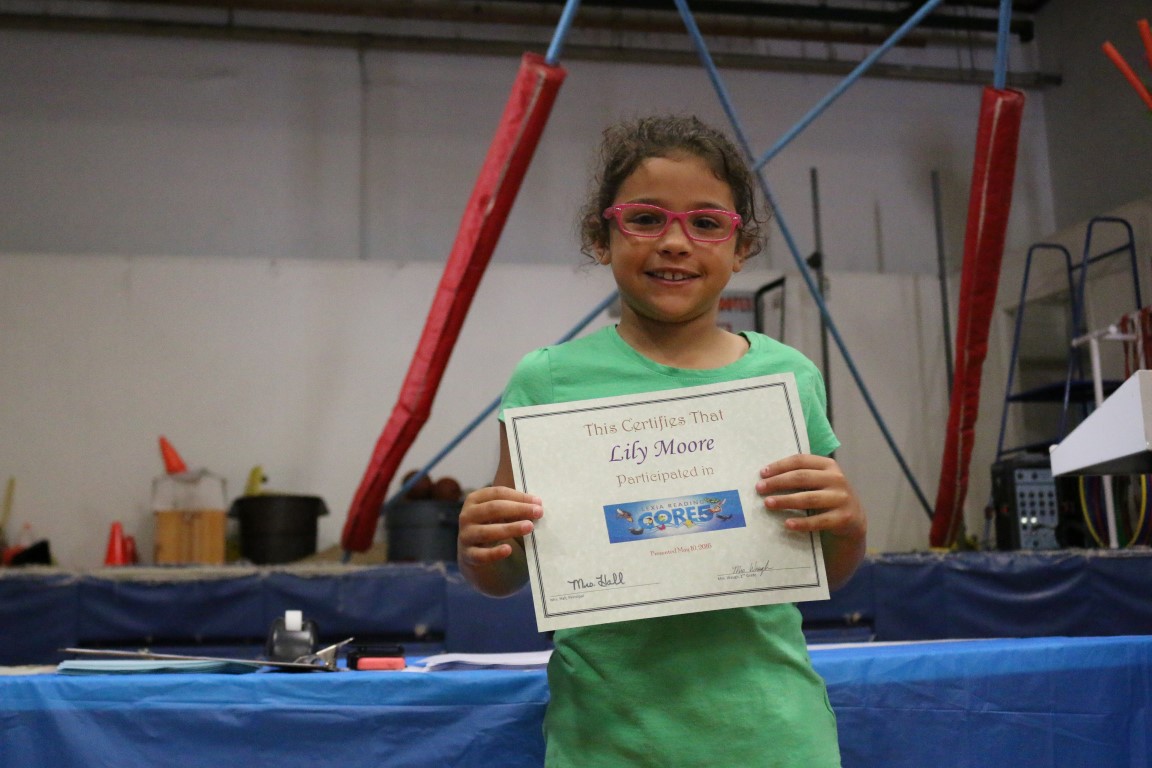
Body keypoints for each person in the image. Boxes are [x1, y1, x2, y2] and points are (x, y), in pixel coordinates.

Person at [458, 114, 867, 767]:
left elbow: (825, 566)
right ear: (601, 238)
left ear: (740, 248)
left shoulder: (787, 377)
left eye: (706, 223)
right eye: (646, 219)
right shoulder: (547, 381)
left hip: (772, 739)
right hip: (605, 743)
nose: (675, 242)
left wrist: (848, 525)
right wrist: (481, 545)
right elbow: (505, 572)